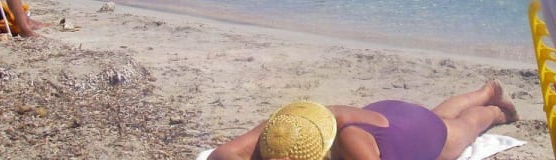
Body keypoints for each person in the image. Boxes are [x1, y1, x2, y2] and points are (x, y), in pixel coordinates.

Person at [209, 80, 519, 160]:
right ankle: (484, 92)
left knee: (462, 129)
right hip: (384, 113)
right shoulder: (287, 126)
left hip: (410, 134)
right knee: (439, 115)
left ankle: (496, 109)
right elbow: (220, 155)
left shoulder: (350, 144)